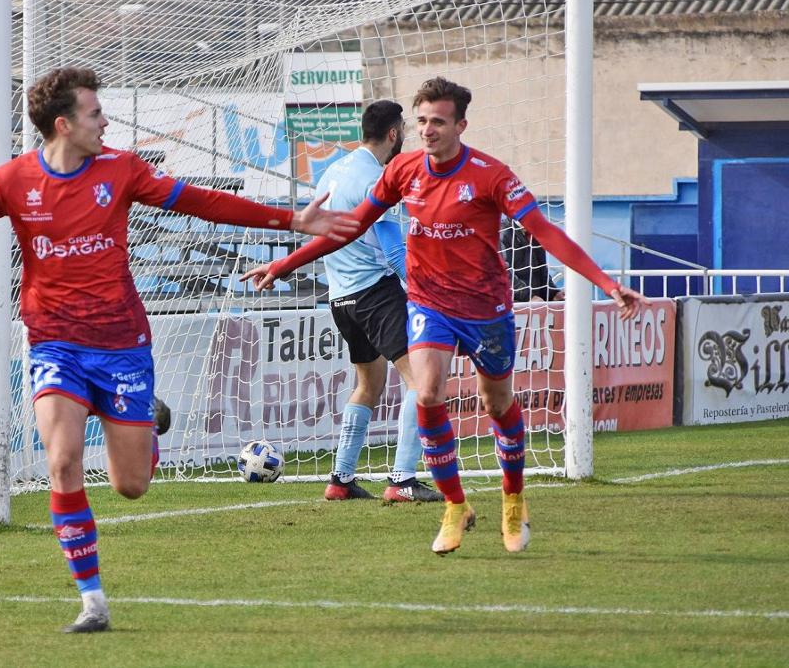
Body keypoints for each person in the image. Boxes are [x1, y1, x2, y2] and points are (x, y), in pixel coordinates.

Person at [0, 66, 358, 632]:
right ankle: (92, 601)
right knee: (61, 461)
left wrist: (289, 220)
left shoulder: (122, 169)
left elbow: (199, 202)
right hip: (55, 342)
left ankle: (146, 426)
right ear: (63, 124)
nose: (105, 122)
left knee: (130, 486)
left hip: (121, 344)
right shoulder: (13, 180)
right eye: (95, 113)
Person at [243, 76, 648, 556]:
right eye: (421, 122)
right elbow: (350, 228)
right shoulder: (401, 171)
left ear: (461, 124)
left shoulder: (492, 175)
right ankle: (453, 506)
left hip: (484, 310)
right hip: (429, 306)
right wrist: (283, 263)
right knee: (428, 392)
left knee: (497, 404)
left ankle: (513, 498)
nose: (428, 130)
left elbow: (545, 233)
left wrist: (605, 283)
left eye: (438, 121)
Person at [257, 100, 440, 503]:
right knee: (420, 381)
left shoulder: (331, 173)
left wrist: (284, 264)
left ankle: (340, 479)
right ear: (393, 134)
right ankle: (404, 479)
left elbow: (325, 238)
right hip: (376, 291)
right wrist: (427, 293)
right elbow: (394, 254)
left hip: (340, 298)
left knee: (368, 384)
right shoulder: (378, 179)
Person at [501, 216, 563, 303]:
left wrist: (553, 293)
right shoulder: (503, 234)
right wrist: (529, 297)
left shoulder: (535, 233)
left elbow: (542, 269)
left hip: (536, 300)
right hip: (514, 303)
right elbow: (504, 273)